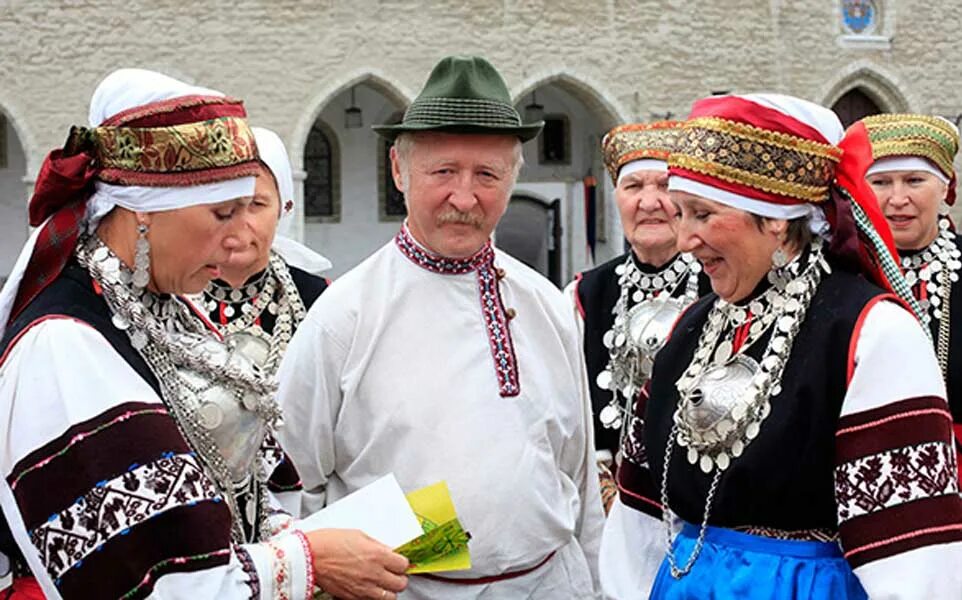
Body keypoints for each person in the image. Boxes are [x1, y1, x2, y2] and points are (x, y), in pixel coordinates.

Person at [0, 69, 408, 600]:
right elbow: (149, 581)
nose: (241, 237)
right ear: (144, 211)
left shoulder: (157, 303)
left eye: (250, 210)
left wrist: (287, 533)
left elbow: (235, 485)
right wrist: (309, 562)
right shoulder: (61, 348)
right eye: (221, 213)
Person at [276, 55, 604, 599]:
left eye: (487, 175)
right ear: (399, 171)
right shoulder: (347, 315)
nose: (464, 197)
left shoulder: (546, 303)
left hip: (549, 585)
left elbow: (581, 478)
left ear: (513, 177)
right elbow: (291, 480)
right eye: (443, 171)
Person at [611, 94, 962, 598]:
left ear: (775, 217)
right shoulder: (688, 328)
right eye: (681, 213)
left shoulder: (872, 333)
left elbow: (913, 558)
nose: (685, 238)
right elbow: (639, 516)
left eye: (704, 215)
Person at [567, 121, 709, 514]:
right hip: (609, 508)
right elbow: (569, 410)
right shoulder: (584, 294)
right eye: (634, 187)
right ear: (617, 199)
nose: (649, 203)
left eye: (664, 186)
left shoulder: (724, 281)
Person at [192, 126, 333, 515]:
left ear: (284, 208)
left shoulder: (319, 299)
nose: (238, 223)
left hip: (301, 504)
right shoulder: (170, 296)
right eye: (224, 206)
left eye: (256, 205)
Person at [860, 113, 962, 470]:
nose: (897, 198)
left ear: (947, 188)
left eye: (914, 180)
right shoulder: (840, 273)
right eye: (881, 182)